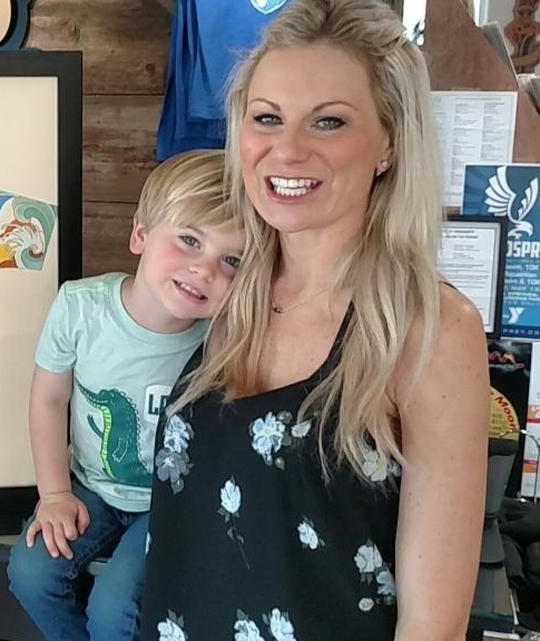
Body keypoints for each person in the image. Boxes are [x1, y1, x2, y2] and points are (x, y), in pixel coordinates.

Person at [138, 2, 488, 640]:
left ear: (388, 143)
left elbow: (432, 626)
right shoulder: (226, 288)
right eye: (267, 118)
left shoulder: (430, 328)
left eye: (328, 122)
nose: (287, 149)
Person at [7, 150, 246, 641]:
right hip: (90, 488)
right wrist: (53, 493)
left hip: (170, 503)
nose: (204, 269)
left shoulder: (226, 341)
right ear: (140, 234)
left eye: (232, 259)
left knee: (116, 608)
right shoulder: (79, 307)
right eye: (189, 240)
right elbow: (48, 400)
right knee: (30, 572)